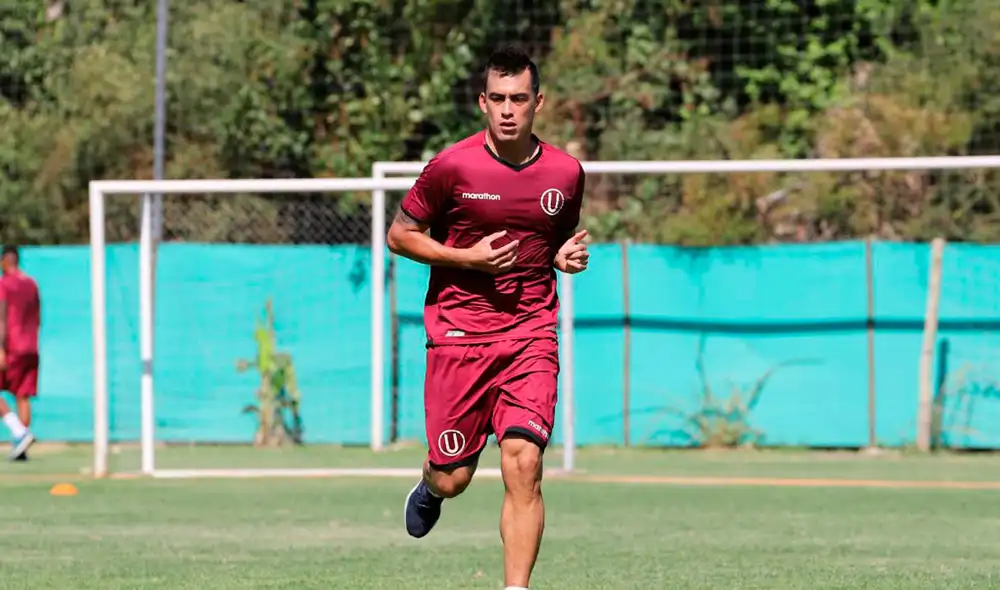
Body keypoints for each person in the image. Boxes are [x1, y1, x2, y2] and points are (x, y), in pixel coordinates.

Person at [386, 45, 590, 590]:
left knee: (523, 463)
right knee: (455, 477)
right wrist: (465, 258)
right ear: (482, 102)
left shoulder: (566, 173)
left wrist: (562, 256)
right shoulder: (452, 166)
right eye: (497, 99)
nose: (507, 110)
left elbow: (553, 241)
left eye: (518, 99)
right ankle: (430, 486)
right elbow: (399, 235)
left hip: (530, 333)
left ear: (537, 102)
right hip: (459, 337)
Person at [0, 246, 40, 461]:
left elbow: (2, 318)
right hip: (31, 347)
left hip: (12, 346)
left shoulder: (4, 284)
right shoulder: (32, 284)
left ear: (5, 262)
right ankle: (21, 448)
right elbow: (38, 315)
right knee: (22, 395)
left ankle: (19, 432)